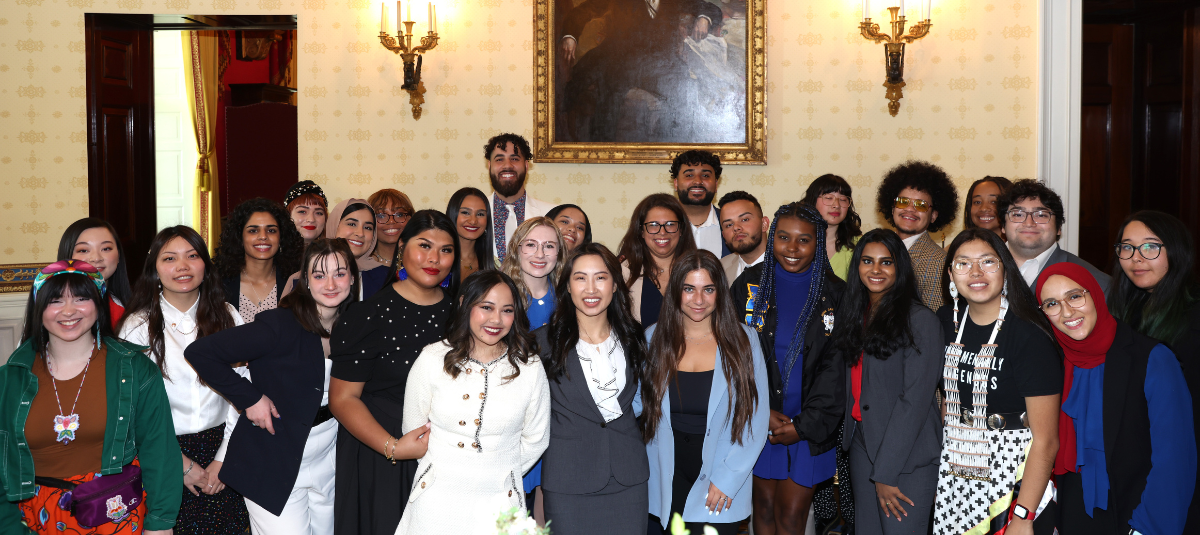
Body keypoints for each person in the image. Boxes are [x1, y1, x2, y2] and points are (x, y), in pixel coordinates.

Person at [186, 238, 432, 534]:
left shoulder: (357, 326)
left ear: (353, 279)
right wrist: (250, 399)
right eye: (319, 275)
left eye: (339, 274)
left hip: (328, 458)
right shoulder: (277, 326)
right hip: (273, 460)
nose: (330, 284)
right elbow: (200, 353)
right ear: (305, 280)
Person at [1, 260, 181, 534]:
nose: (69, 311)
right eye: (56, 300)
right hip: (33, 520)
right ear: (39, 309)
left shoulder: (136, 369)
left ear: (99, 304)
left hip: (115, 513)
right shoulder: (10, 379)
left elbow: (160, 452)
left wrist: (161, 525)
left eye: (82, 298)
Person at [1036, 263, 1196, 535]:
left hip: (1135, 518)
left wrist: (1147, 529)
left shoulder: (1152, 358)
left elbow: (1174, 461)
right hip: (1070, 518)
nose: (1066, 312)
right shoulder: (1051, 363)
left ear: (1095, 294)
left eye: (1075, 296)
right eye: (1051, 303)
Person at [328, 210, 457, 535]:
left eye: (445, 250)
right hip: (381, 455)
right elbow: (343, 399)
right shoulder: (368, 315)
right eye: (424, 246)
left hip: (445, 458)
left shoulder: (462, 314)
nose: (434, 258)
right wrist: (393, 447)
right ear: (401, 247)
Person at [394, 270, 550, 534]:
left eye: (507, 310)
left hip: (502, 502)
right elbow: (414, 431)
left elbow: (537, 438)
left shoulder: (529, 366)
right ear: (464, 304)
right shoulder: (432, 358)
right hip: (436, 500)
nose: (496, 320)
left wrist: (501, 470)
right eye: (486, 307)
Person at [118, 226, 249, 534]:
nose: (183, 266)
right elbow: (130, 408)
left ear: (205, 263)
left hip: (225, 447)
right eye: (170, 258)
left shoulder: (228, 317)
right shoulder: (137, 326)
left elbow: (245, 390)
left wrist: (223, 459)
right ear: (155, 269)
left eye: (192, 256)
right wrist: (180, 465)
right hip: (162, 451)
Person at [932, 228, 1062, 535]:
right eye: (963, 263)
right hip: (956, 468)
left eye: (988, 262)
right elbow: (949, 397)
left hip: (1014, 471)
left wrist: (1023, 516)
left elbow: (1046, 440)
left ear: (1005, 268)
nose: (976, 272)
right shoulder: (943, 322)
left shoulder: (1029, 334)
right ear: (951, 273)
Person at [731, 203, 846, 535]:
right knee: (762, 512)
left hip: (809, 426)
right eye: (783, 238)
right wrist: (759, 411)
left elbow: (835, 369)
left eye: (804, 240)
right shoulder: (747, 287)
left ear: (818, 242)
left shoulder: (835, 293)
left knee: (793, 516)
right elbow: (732, 357)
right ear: (771, 238)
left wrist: (805, 425)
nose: (792, 249)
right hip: (760, 421)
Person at [642, 249, 769, 535]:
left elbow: (755, 419)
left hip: (720, 472)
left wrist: (728, 478)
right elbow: (639, 406)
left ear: (719, 293)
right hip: (666, 474)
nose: (698, 300)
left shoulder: (743, 340)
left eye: (708, 289)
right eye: (689, 289)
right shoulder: (654, 337)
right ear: (676, 291)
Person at [832, 229, 944, 535]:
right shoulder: (857, 314)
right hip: (862, 445)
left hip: (906, 455)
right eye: (867, 261)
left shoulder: (920, 320)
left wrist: (886, 471)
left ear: (900, 268)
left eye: (887, 262)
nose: (876, 269)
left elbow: (915, 402)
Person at [536, 243, 649, 535]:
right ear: (567, 287)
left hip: (629, 480)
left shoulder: (635, 337)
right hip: (568, 481)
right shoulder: (541, 343)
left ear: (614, 285)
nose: (591, 288)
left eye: (600, 277)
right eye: (580, 278)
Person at [1105, 210, 1200, 532]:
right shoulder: (1120, 311)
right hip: (1132, 464)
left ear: (1175, 251)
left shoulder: (1193, 315)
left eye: (1150, 247)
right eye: (1127, 247)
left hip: (1179, 463)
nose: (1136, 258)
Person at [558, 0, 724, 142]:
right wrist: (569, 36)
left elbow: (710, 8)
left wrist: (704, 18)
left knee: (686, 88)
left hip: (659, 64)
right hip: (620, 60)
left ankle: (670, 150)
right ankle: (603, 154)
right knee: (608, 95)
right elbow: (584, 10)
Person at [500, 216, 566, 520]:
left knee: (547, 502)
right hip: (511, 412)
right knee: (508, 501)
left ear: (559, 253)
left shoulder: (569, 297)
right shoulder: (498, 293)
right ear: (516, 249)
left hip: (558, 414)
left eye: (549, 246)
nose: (540, 254)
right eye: (531, 245)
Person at [875, 161, 960, 311]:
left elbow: (932, 324)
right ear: (893, 207)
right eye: (903, 202)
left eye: (921, 205)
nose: (909, 209)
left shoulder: (939, 264)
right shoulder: (875, 251)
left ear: (933, 215)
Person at [999, 179, 1110, 291]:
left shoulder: (1098, 284)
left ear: (1059, 228)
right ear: (1003, 226)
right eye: (1018, 214)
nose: (1029, 223)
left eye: (1041, 215)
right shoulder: (983, 267)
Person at [214, 198, 303, 322]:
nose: (263, 236)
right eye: (253, 231)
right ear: (240, 237)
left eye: (271, 230)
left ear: (281, 237)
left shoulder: (297, 282)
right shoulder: (218, 282)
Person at [619, 193, 699, 325]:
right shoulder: (624, 272)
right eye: (653, 225)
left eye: (670, 224)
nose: (662, 232)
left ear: (681, 230)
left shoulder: (699, 270)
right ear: (641, 231)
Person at [486, 134, 552, 263]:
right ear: (489, 166)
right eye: (499, 159)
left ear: (526, 166)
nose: (507, 165)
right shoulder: (471, 218)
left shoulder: (551, 214)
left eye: (515, 159)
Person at [58, 217, 134, 328]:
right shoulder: (50, 309)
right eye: (83, 250)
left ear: (119, 256)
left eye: (106, 248)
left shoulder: (131, 309)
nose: (96, 258)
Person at [802, 174, 863, 281]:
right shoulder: (797, 242)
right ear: (812, 201)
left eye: (843, 199)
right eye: (829, 198)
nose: (836, 205)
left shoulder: (860, 245)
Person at [672, 150, 728, 258]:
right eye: (689, 175)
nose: (697, 181)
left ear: (716, 185)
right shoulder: (659, 228)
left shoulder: (732, 225)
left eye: (706, 175)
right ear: (676, 183)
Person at [717, 191, 768, 284]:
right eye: (729, 225)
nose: (736, 227)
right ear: (723, 235)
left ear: (764, 224)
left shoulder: (789, 265)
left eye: (745, 219)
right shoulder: (718, 270)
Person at [447, 187, 495, 284]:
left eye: (480, 214)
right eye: (465, 212)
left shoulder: (493, 264)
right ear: (453, 214)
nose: (473, 221)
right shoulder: (438, 258)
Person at [368, 188, 415, 267]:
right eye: (381, 215)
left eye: (399, 214)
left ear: (410, 219)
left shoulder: (422, 262)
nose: (391, 221)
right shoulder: (358, 265)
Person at [285, 180, 329, 246]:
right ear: (288, 215)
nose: (311, 220)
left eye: (318, 213)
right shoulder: (272, 253)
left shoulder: (335, 254)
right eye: (302, 212)